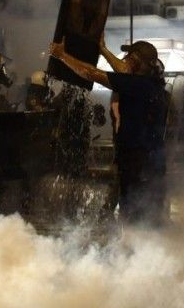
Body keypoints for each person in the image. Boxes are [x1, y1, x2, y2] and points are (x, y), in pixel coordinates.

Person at [50, 36, 167, 225]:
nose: (125, 61)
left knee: (135, 213)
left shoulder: (136, 85)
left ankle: (135, 248)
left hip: (138, 162)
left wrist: (61, 55)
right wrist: (103, 49)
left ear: (136, 62)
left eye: (128, 58)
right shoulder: (150, 83)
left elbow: (90, 73)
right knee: (147, 211)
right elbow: (124, 71)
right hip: (149, 161)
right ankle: (145, 247)